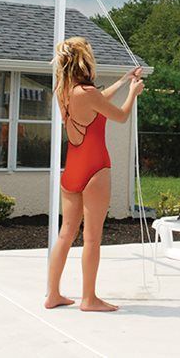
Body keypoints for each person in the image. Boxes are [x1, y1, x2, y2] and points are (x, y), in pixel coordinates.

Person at [45, 36, 144, 312]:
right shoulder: (87, 94)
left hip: (72, 171)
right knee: (91, 238)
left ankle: (52, 294)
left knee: (66, 235)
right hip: (95, 170)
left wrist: (124, 81)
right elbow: (120, 116)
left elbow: (98, 100)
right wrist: (133, 94)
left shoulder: (63, 92)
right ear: (85, 61)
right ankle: (89, 299)